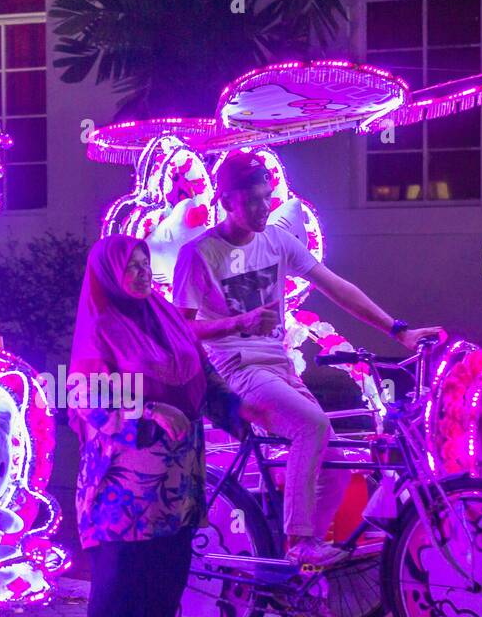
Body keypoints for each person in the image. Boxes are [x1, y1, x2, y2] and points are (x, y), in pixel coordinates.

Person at [173, 151, 443, 568]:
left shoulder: (278, 240)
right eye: (252, 201)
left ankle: (302, 569)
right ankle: (299, 542)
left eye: (267, 198)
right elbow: (180, 329)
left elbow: (337, 288)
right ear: (226, 202)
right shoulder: (199, 255)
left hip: (277, 368)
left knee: (335, 462)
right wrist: (238, 322)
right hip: (234, 370)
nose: (264, 209)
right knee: (311, 426)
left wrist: (397, 330)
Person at [71, 235, 245, 617]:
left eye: (145, 262)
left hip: (177, 474)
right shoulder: (101, 327)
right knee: (123, 571)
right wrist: (147, 415)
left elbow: (200, 372)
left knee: (168, 567)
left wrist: (235, 408)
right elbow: (88, 397)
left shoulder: (166, 316)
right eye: (131, 266)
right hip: (124, 477)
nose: (142, 272)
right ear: (110, 274)